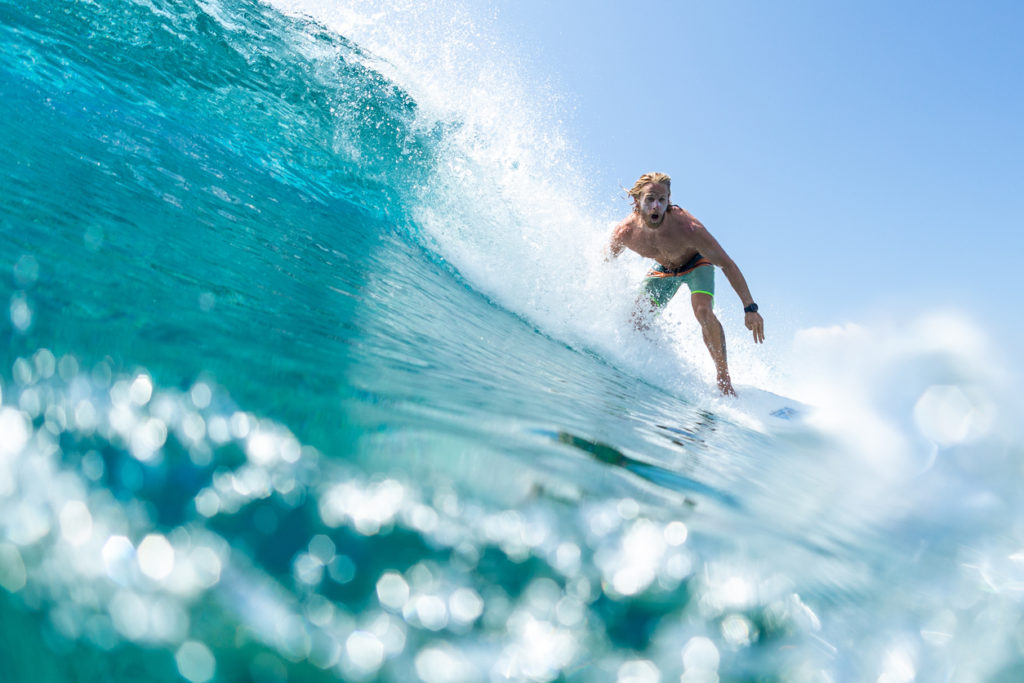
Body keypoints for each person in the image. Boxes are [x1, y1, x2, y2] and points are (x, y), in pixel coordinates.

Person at [607, 172, 765, 395]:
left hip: (696, 264)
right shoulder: (625, 233)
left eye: (662, 200)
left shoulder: (689, 228)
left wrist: (750, 308)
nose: (656, 206)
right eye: (650, 199)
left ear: (669, 200)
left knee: (702, 311)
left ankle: (723, 378)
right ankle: (651, 360)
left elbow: (727, 264)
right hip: (664, 270)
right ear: (637, 200)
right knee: (636, 320)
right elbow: (605, 264)